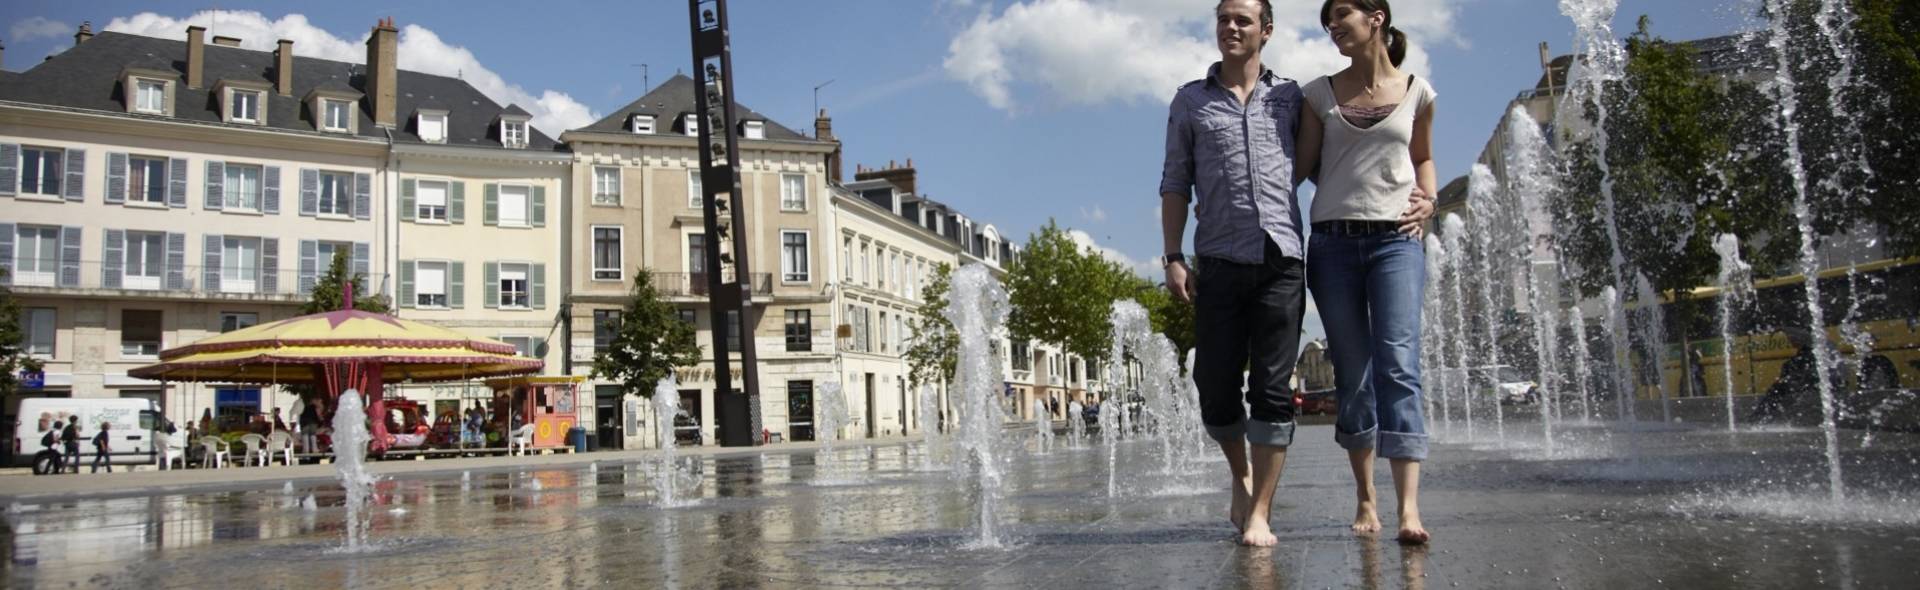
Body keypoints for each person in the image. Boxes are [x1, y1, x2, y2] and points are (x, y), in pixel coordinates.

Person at [1160, 0, 1309, 547]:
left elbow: (1331, 154)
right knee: (1215, 388)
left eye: (1243, 19)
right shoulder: (1190, 101)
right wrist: (1172, 256)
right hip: (1217, 260)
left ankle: (1260, 513)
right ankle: (1240, 476)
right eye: (1224, 18)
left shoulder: (1292, 98)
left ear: (1266, 31)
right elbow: (1175, 181)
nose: (1231, 27)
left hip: (1282, 260)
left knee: (1272, 389)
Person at [1293, 0, 1438, 544]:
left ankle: (1408, 509)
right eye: (1327, 22)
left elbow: (1422, 157)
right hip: (1332, 245)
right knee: (1352, 376)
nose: (1333, 28)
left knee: (1399, 365)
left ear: (1376, 18)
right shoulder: (1319, 95)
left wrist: (1429, 199)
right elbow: (1304, 166)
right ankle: (1365, 495)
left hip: (1397, 243)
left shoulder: (1419, 91)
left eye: (1342, 17)